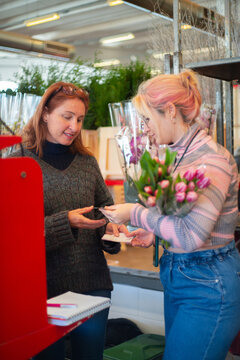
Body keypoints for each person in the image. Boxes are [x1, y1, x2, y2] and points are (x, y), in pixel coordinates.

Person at [103, 70, 240, 360]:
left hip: (207, 282)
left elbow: (190, 236)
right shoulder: (180, 154)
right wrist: (156, 233)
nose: (145, 129)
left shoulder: (210, 160)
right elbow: (185, 222)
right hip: (182, 275)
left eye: (148, 119)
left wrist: (136, 213)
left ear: (170, 111)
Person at [10, 81, 129, 360]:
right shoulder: (19, 165)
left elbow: (104, 211)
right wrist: (66, 222)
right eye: (67, 116)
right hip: (42, 294)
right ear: (45, 114)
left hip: (92, 284)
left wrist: (112, 230)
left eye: (79, 119)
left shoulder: (87, 163)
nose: (74, 127)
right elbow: (14, 239)